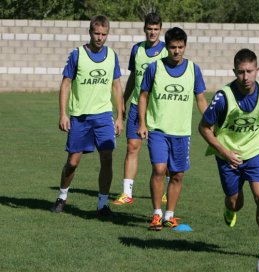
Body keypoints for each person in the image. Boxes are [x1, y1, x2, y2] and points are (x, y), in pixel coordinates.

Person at [198, 48, 259, 255]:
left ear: (257, 70)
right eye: (240, 72)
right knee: (235, 202)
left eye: (249, 71)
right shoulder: (223, 97)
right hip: (228, 156)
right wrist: (225, 151)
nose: (245, 77)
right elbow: (203, 128)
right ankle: (230, 208)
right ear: (234, 71)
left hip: (256, 151)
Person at [51, 15, 124, 217]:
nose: (100, 38)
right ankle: (62, 196)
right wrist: (63, 114)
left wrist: (119, 117)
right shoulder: (77, 55)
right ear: (90, 32)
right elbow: (66, 84)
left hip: (103, 116)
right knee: (73, 162)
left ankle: (102, 204)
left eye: (103, 34)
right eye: (96, 33)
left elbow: (117, 86)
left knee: (107, 158)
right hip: (80, 117)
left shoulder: (112, 56)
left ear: (107, 34)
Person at [137, 27, 208, 230]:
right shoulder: (154, 68)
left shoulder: (194, 69)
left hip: (181, 132)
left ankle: (170, 215)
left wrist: (210, 121)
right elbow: (143, 96)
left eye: (180, 47)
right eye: (173, 47)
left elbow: (201, 99)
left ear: (185, 46)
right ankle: (157, 214)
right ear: (166, 47)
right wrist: (142, 123)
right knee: (159, 169)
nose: (177, 51)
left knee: (177, 174)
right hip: (158, 129)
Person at [112, 12, 168, 206]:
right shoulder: (137, 49)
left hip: (159, 107)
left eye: (156, 29)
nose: (152, 32)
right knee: (132, 147)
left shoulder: (167, 50)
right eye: (149, 29)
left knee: (163, 152)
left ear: (160, 30)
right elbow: (133, 79)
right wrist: (123, 103)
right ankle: (127, 193)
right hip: (137, 105)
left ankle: (165, 192)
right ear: (144, 29)